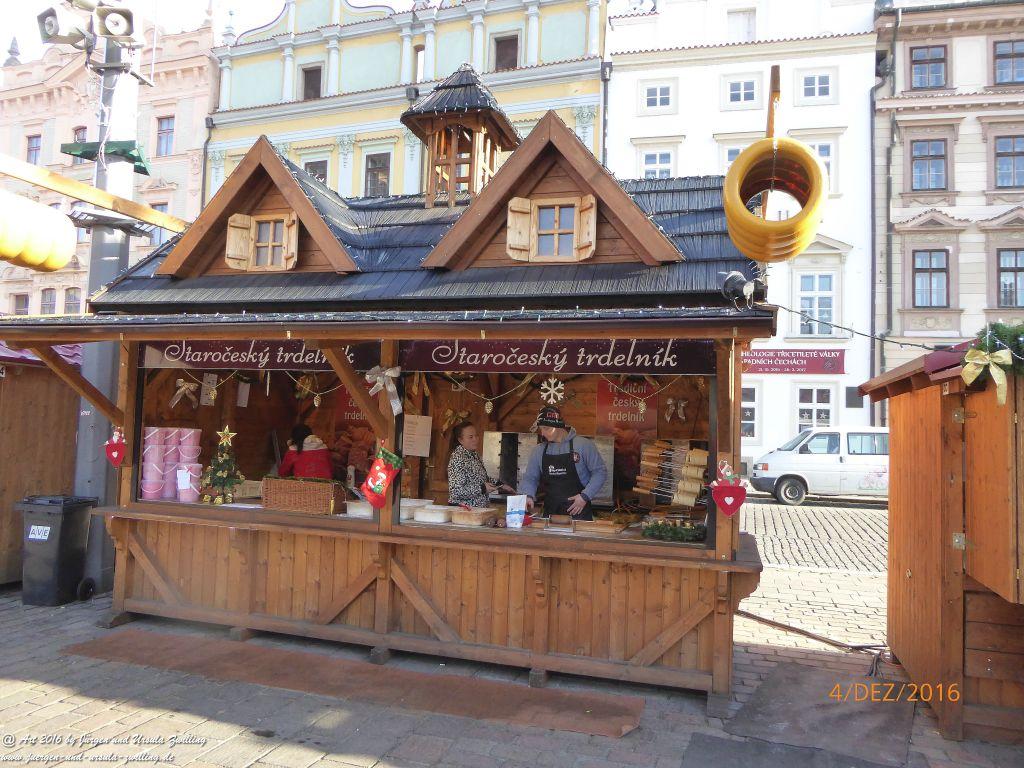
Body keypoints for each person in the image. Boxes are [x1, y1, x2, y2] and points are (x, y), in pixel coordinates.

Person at [520, 405, 607, 520]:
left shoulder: (583, 445)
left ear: (559, 426)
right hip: (551, 513)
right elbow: (530, 477)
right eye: (541, 429)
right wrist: (528, 495)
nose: (543, 433)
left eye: (546, 429)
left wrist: (585, 496)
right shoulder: (539, 450)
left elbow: (600, 472)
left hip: (578, 512)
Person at [447, 421, 514, 507]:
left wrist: (500, 485)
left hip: (477, 510)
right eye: (471, 437)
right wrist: (482, 488)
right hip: (463, 511)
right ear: (460, 440)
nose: (475, 439)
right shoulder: (458, 458)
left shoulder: (474, 455)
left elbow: (482, 478)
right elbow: (456, 491)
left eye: (476, 435)